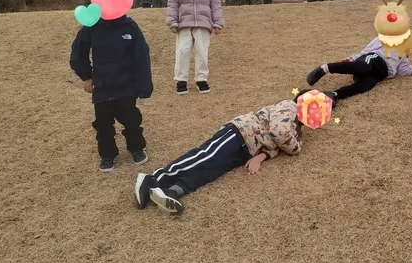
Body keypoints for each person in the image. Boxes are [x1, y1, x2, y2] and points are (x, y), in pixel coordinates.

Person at [134, 90, 336, 215]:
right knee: (204, 156)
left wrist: (264, 155)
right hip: (240, 133)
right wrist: (293, 147)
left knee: (210, 172)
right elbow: (279, 133)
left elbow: (280, 146)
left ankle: (171, 191)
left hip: (248, 150)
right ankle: (152, 179)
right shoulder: (288, 107)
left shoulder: (296, 127)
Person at [70, 15, 153, 172]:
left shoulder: (130, 26)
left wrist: (144, 85)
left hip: (126, 85)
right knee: (103, 124)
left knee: (131, 119)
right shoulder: (91, 25)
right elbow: (78, 51)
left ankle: (136, 148)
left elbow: (142, 55)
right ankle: (107, 155)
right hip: (102, 85)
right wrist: (86, 76)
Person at [305, 37, 412, 101]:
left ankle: (334, 95)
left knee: (365, 85)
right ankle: (325, 68)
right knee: (363, 67)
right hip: (374, 59)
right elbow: (366, 51)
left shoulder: (403, 53)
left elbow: (403, 69)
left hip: (380, 74)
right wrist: (352, 58)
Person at [166, 0, 224, 95]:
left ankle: (201, 79)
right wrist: (172, 21)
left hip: (203, 23)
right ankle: (181, 80)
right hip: (184, 23)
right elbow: (173, 2)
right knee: (183, 51)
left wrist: (217, 22)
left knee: (202, 52)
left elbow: (215, 4)